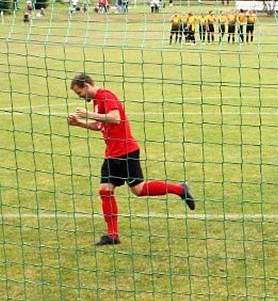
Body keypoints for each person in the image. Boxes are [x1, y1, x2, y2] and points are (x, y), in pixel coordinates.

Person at [66, 74, 195, 246]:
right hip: (111, 153)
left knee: (139, 190)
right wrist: (79, 123)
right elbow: (100, 125)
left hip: (126, 152)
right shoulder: (97, 101)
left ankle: (180, 189)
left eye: (79, 92)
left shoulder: (106, 95)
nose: (80, 96)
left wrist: (88, 114)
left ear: (87, 85)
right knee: (105, 190)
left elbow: (115, 118)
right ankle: (113, 235)